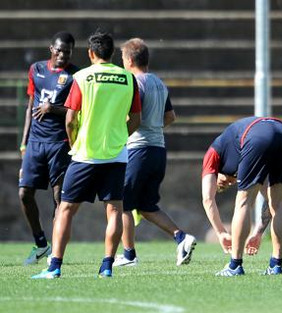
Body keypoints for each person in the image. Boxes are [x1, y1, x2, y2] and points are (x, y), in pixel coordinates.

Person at [32, 30, 142, 279]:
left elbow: (70, 118)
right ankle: (106, 267)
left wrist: (74, 142)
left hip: (84, 154)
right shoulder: (128, 78)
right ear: (112, 53)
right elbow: (136, 119)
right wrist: (119, 136)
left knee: (66, 209)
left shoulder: (81, 77)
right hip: (116, 155)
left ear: (91, 53)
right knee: (114, 210)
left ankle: (55, 267)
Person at [112, 38, 196, 267]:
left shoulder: (133, 82)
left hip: (138, 150)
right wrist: (153, 130)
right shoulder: (159, 83)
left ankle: (129, 255)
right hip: (158, 150)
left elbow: (132, 117)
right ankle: (182, 237)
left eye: (122, 60)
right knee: (146, 206)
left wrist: (122, 134)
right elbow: (171, 117)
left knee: (122, 204)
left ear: (129, 60)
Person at [201, 116, 282, 276]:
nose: (230, 183)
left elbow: (208, 199)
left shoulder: (213, 154)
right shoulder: (239, 155)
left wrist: (221, 232)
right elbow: (269, 200)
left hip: (258, 135)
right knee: (278, 203)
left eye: (222, 183)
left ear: (217, 174)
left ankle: (235, 265)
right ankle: (275, 265)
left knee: (243, 202)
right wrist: (258, 232)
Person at [19, 31, 78, 266]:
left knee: (58, 198)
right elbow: (30, 106)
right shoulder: (36, 69)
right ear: (51, 49)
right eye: (60, 50)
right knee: (25, 193)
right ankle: (40, 243)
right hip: (35, 142)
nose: (63, 54)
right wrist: (24, 142)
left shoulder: (76, 75)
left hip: (59, 143)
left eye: (68, 51)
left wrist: (53, 108)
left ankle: (55, 250)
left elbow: (78, 110)